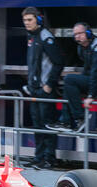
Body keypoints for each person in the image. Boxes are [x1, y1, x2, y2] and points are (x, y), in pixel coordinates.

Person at [46, 22, 97, 133]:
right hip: (95, 80)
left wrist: (91, 95)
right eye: (75, 34)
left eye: (80, 33)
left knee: (69, 79)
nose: (77, 37)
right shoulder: (81, 48)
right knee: (68, 85)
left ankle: (80, 117)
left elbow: (96, 72)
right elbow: (87, 69)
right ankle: (66, 122)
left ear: (88, 33)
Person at [20, 7, 63, 169]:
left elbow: (59, 62)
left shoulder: (46, 36)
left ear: (38, 20)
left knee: (47, 125)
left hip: (45, 90)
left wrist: (49, 85)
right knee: (37, 125)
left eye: (29, 20)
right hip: (34, 89)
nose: (27, 23)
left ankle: (49, 158)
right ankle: (38, 157)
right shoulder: (31, 37)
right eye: (25, 20)